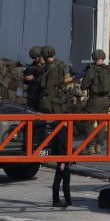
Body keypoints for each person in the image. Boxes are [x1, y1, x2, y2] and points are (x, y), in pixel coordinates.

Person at [38, 46, 71, 208]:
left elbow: (47, 87)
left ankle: (60, 199)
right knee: (63, 174)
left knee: (61, 174)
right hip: (59, 104)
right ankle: (63, 200)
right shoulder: (58, 66)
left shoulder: (50, 69)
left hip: (53, 104)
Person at [80, 49, 110, 154]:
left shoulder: (91, 70)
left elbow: (83, 86)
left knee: (88, 122)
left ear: (94, 58)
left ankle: (90, 146)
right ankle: (99, 145)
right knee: (102, 123)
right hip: (106, 100)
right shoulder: (109, 70)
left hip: (95, 100)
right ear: (103, 58)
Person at [23, 46, 44, 111]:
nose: (34, 60)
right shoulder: (32, 65)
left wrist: (34, 78)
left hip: (42, 97)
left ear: (40, 56)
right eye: (33, 58)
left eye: (35, 58)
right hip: (32, 96)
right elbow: (25, 77)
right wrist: (26, 78)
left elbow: (46, 80)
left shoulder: (47, 66)